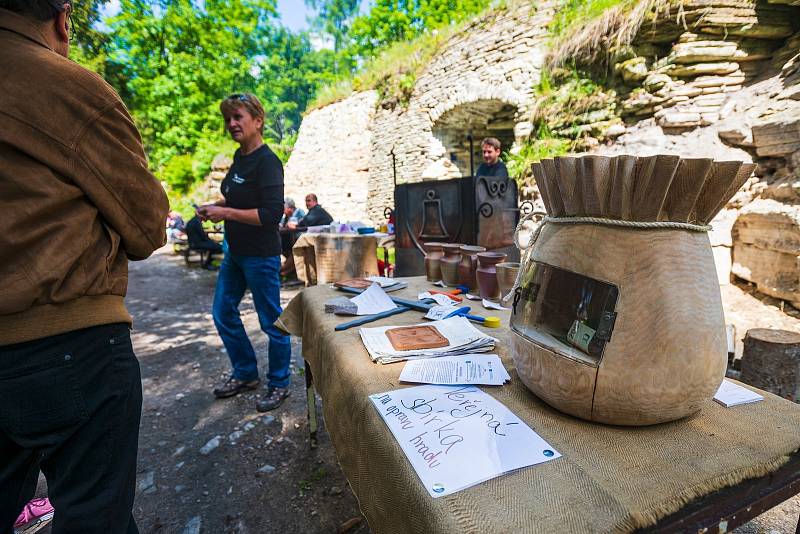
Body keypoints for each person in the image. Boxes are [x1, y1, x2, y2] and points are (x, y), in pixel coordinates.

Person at [0, 2, 169, 532]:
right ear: (63, 17)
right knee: (98, 520)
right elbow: (146, 227)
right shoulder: (61, 84)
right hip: (68, 344)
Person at [197, 93, 292, 412]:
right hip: (234, 252)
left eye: (238, 117)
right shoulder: (239, 158)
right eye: (228, 119)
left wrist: (226, 214)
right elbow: (236, 199)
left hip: (261, 255)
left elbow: (270, 215)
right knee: (223, 313)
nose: (232, 124)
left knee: (271, 321)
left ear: (258, 121)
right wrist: (216, 206)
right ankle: (246, 373)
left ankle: (279, 382)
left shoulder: (268, 162)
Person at [279, 198, 304, 279]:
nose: (282, 210)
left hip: (299, 240)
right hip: (288, 240)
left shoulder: (299, 212)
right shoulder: (285, 216)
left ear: (290, 208)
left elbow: (296, 225)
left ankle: (282, 272)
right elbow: (281, 225)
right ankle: (285, 271)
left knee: (295, 253)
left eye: (284, 208)